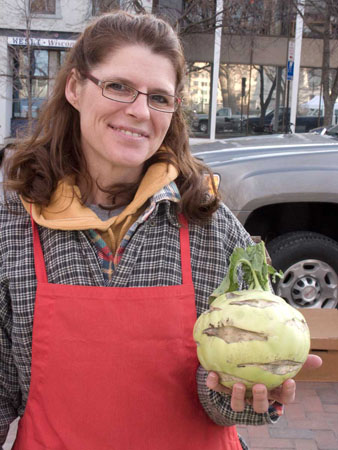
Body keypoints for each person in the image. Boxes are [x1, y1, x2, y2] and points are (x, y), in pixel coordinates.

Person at [0, 10, 321, 450]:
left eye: (159, 97)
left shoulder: (209, 223)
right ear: (75, 87)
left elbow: (223, 392)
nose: (138, 111)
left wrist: (242, 393)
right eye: (118, 87)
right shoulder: (14, 222)